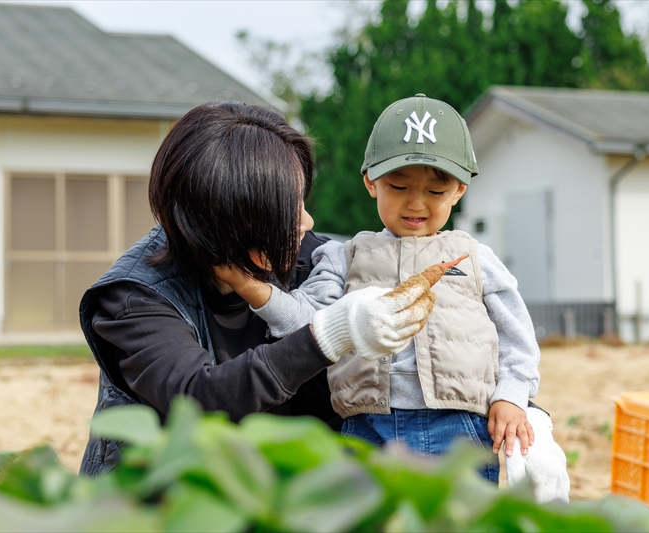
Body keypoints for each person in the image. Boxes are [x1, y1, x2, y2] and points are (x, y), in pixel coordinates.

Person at [78, 101, 436, 476]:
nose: (306, 222)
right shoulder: (136, 297)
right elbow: (200, 398)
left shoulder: (313, 259)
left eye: (300, 201)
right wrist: (328, 334)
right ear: (228, 221)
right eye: (283, 211)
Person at [216, 94, 542, 484]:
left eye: (436, 192)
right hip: (367, 428)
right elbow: (307, 323)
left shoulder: (474, 258)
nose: (416, 203)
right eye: (398, 185)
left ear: (459, 190)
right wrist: (249, 287)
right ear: (371, 182)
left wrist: (511, 396)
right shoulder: (344, 256)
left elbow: (517, 340)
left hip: (459, 429)